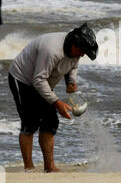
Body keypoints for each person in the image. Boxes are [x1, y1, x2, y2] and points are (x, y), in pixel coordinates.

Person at [8, 22, 98, 173]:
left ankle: (49, 167)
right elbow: (38, 80)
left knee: (50, 121)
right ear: (74, 45)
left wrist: (71, 81)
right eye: (82, 51)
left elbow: (73, 65)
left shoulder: (75, 50)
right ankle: (29, 168)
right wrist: (57, 102)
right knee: (29, 123)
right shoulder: (51, 51)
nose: (82, 55)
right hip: (22, 79)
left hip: (42, 81)